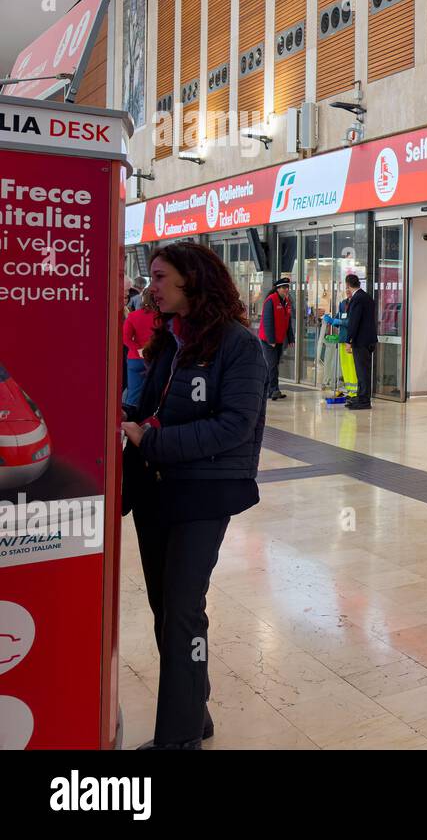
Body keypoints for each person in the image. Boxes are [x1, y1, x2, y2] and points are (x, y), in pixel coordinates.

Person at [121, 242, 267, 750]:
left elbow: (234, 426)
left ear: (192, 279)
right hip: (156, 490)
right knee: (169, 610)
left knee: (184, 611)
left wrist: (153, 439)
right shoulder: (169, 339)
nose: (151, 288)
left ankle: (179, 738)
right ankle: (195, 711)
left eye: (160, 277)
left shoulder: (238, 345)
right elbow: (146, 405)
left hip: (203, 494)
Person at [342, 273, 376, 410]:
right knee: (364, 371)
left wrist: (349, 339)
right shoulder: (366, 297)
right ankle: (361, 396)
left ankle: (364, 400)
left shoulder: (357, 299)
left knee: (362, 372)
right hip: (368, 339)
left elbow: (354, 322)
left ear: (348, 285)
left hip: (361, 341)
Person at [258, 277, 294, 400]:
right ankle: (273, 390)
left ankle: (270, 389)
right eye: (284, 288)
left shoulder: (287, 302)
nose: (286, 290)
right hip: (269, 340)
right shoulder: (271, 300)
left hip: (279, 339)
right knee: (272, 365)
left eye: (287, 287)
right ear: (277, 289)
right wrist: (271, 340)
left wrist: (291, 338)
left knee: (274, 365)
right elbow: (267, 322)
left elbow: (288, 322)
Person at [122, 287, 159, 407]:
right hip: (156, 359)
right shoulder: (162, 318)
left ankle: (130, 419)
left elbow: (126, 338)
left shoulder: (133, 316)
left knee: (133, 394)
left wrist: (140, 351)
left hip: (135, 359)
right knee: (155, 394)